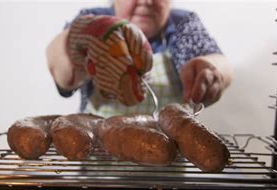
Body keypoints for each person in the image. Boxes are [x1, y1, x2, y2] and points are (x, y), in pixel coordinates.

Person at [46, 0, 233, 117]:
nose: (146, 1)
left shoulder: (182, 25)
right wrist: (82, 37)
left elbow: (221, 63)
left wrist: (211, 69)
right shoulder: (92, 19)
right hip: (99, 164)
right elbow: (62, 71)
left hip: (167, 168)